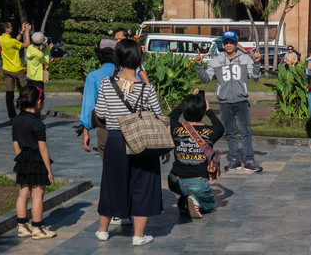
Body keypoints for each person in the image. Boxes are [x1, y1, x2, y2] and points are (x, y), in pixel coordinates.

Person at [95, 37, 167, 245]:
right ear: (138, 59)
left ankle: (102, 230)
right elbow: (158, 115)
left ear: (117, 58)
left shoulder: (106, 84)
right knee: (143, 185)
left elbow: (100, 112)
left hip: (115, 140)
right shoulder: (147, 89)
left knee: (111, 184)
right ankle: (138, 235)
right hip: (141, 142)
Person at [195, 30, 263, 172]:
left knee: (246, 131)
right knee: (230, 132)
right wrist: (199, 65)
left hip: (241, 101)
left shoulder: (245, 59)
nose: (229, 45)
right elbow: (205, 78)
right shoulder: (216, 61)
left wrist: (257, 63)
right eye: (226, 42)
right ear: (223, 44)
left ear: (236, 43)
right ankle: (234, 159)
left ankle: (249, 160)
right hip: (225, 102)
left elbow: (255, 77)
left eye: (232, 42)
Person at [167, 90, 225, 217]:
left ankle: (185, 203)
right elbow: (221, 127)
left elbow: (169, 118)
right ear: (203, 111)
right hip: (198, 182)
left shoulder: (175, 128)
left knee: (186, 190)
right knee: (210, 205)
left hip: (175, 181)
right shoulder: (211, 131)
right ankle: (196, 202)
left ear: (184, 110)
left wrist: (184, 103)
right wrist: (209, 111)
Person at [12, 83, 57, 239]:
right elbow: (43, 149)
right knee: (38, 195)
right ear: (39, 102)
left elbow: (15, 142)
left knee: (23, 193)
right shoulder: (38, 123)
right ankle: (38, 228)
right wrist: (49, 170)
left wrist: (20, 159)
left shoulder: (16, 120)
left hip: (23, 159)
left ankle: (22, 226)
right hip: (37, 160)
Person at [80, 40, 117, 162]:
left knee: (109, 169)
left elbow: (89, 105)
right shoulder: (130, 75)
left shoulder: (93, 76)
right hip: (129, 128)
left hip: (105, 127)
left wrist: (86, 131)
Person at [0, 21, 30, 121]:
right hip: (17, 70)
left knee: (9, 93)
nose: (12, 27)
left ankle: (12, 116)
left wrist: (21, 32)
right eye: (10, 26)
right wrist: (26, 32)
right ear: (6, 29)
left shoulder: (1, 39)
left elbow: (15, 42)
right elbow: (26, 44)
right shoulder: (12, 41)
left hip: (6, 70)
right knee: (24, 91)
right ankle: (24, 112)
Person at [26, 32, 51, 100]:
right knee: (39, 98)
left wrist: (43, 48)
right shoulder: (40, 54)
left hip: (29, 77)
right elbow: (46, 62)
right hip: (37, 78)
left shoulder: (30, 48)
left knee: (31, 97)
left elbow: (36, 51)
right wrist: (47, 49)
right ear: (41, 42)